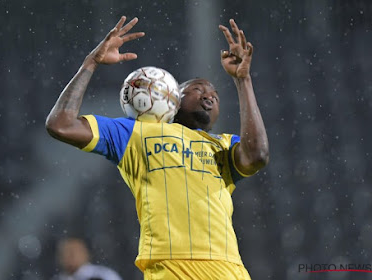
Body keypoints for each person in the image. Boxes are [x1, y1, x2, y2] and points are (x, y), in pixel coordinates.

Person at [46, 16, 269, 280]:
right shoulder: (134, 132)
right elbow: (60, 124)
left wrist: (243, 80)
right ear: (171, 99)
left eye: (214, 95)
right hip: (171, 269)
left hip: (229, 269)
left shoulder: (223, 145)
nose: (209, 95)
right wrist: (90, 63)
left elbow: (258, 156)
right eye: (198, 89)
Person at [52, 238, 122, 280]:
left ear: (86, 254)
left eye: (73, 253)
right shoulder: (58, 278)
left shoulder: (103, 276)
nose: (69, 257)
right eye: (65, 252)